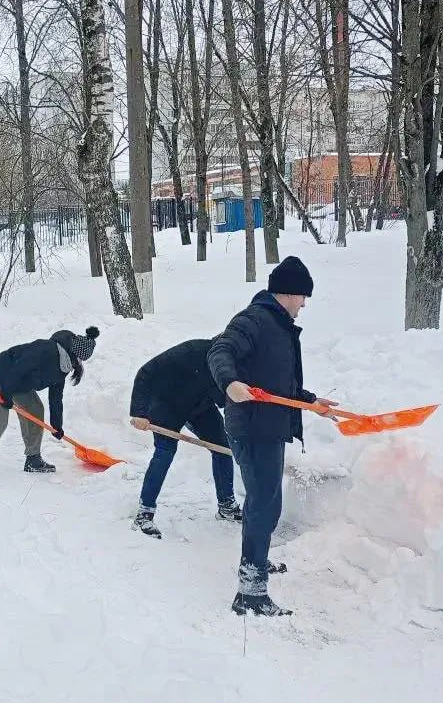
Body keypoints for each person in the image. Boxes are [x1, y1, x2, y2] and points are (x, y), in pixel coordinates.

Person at [207, 256, 338, 617]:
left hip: (268, 425)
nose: (304, 304)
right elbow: (220, 350)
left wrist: (311, 401)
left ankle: (256, 563)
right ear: (290, 292)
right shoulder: (254, 320)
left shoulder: (278, 325)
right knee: (265, 503)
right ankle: (250, 590)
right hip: (252, 426)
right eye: (302, 297)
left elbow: (281, 383)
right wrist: (230, 382)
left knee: (264, 501)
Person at [128, 339, 240, 540]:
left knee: (223, 447)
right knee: (165, 452)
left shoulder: (229, 364)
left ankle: (227, 506)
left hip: (200, 406)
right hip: (167, 406)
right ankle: (144, 512)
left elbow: (226, 397)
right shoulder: (191, 351)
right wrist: (139, 412)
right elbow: (145, 373)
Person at [0, 326, 100, 485]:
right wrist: (6, 393)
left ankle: (33, 459)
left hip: (18, 384)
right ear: (74, 353)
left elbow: (56, 398)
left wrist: (57, 426)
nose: (79, 364)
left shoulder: (64, 366)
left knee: (35, 409)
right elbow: (19, 367)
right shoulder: (46, 349)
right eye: (80, 359)